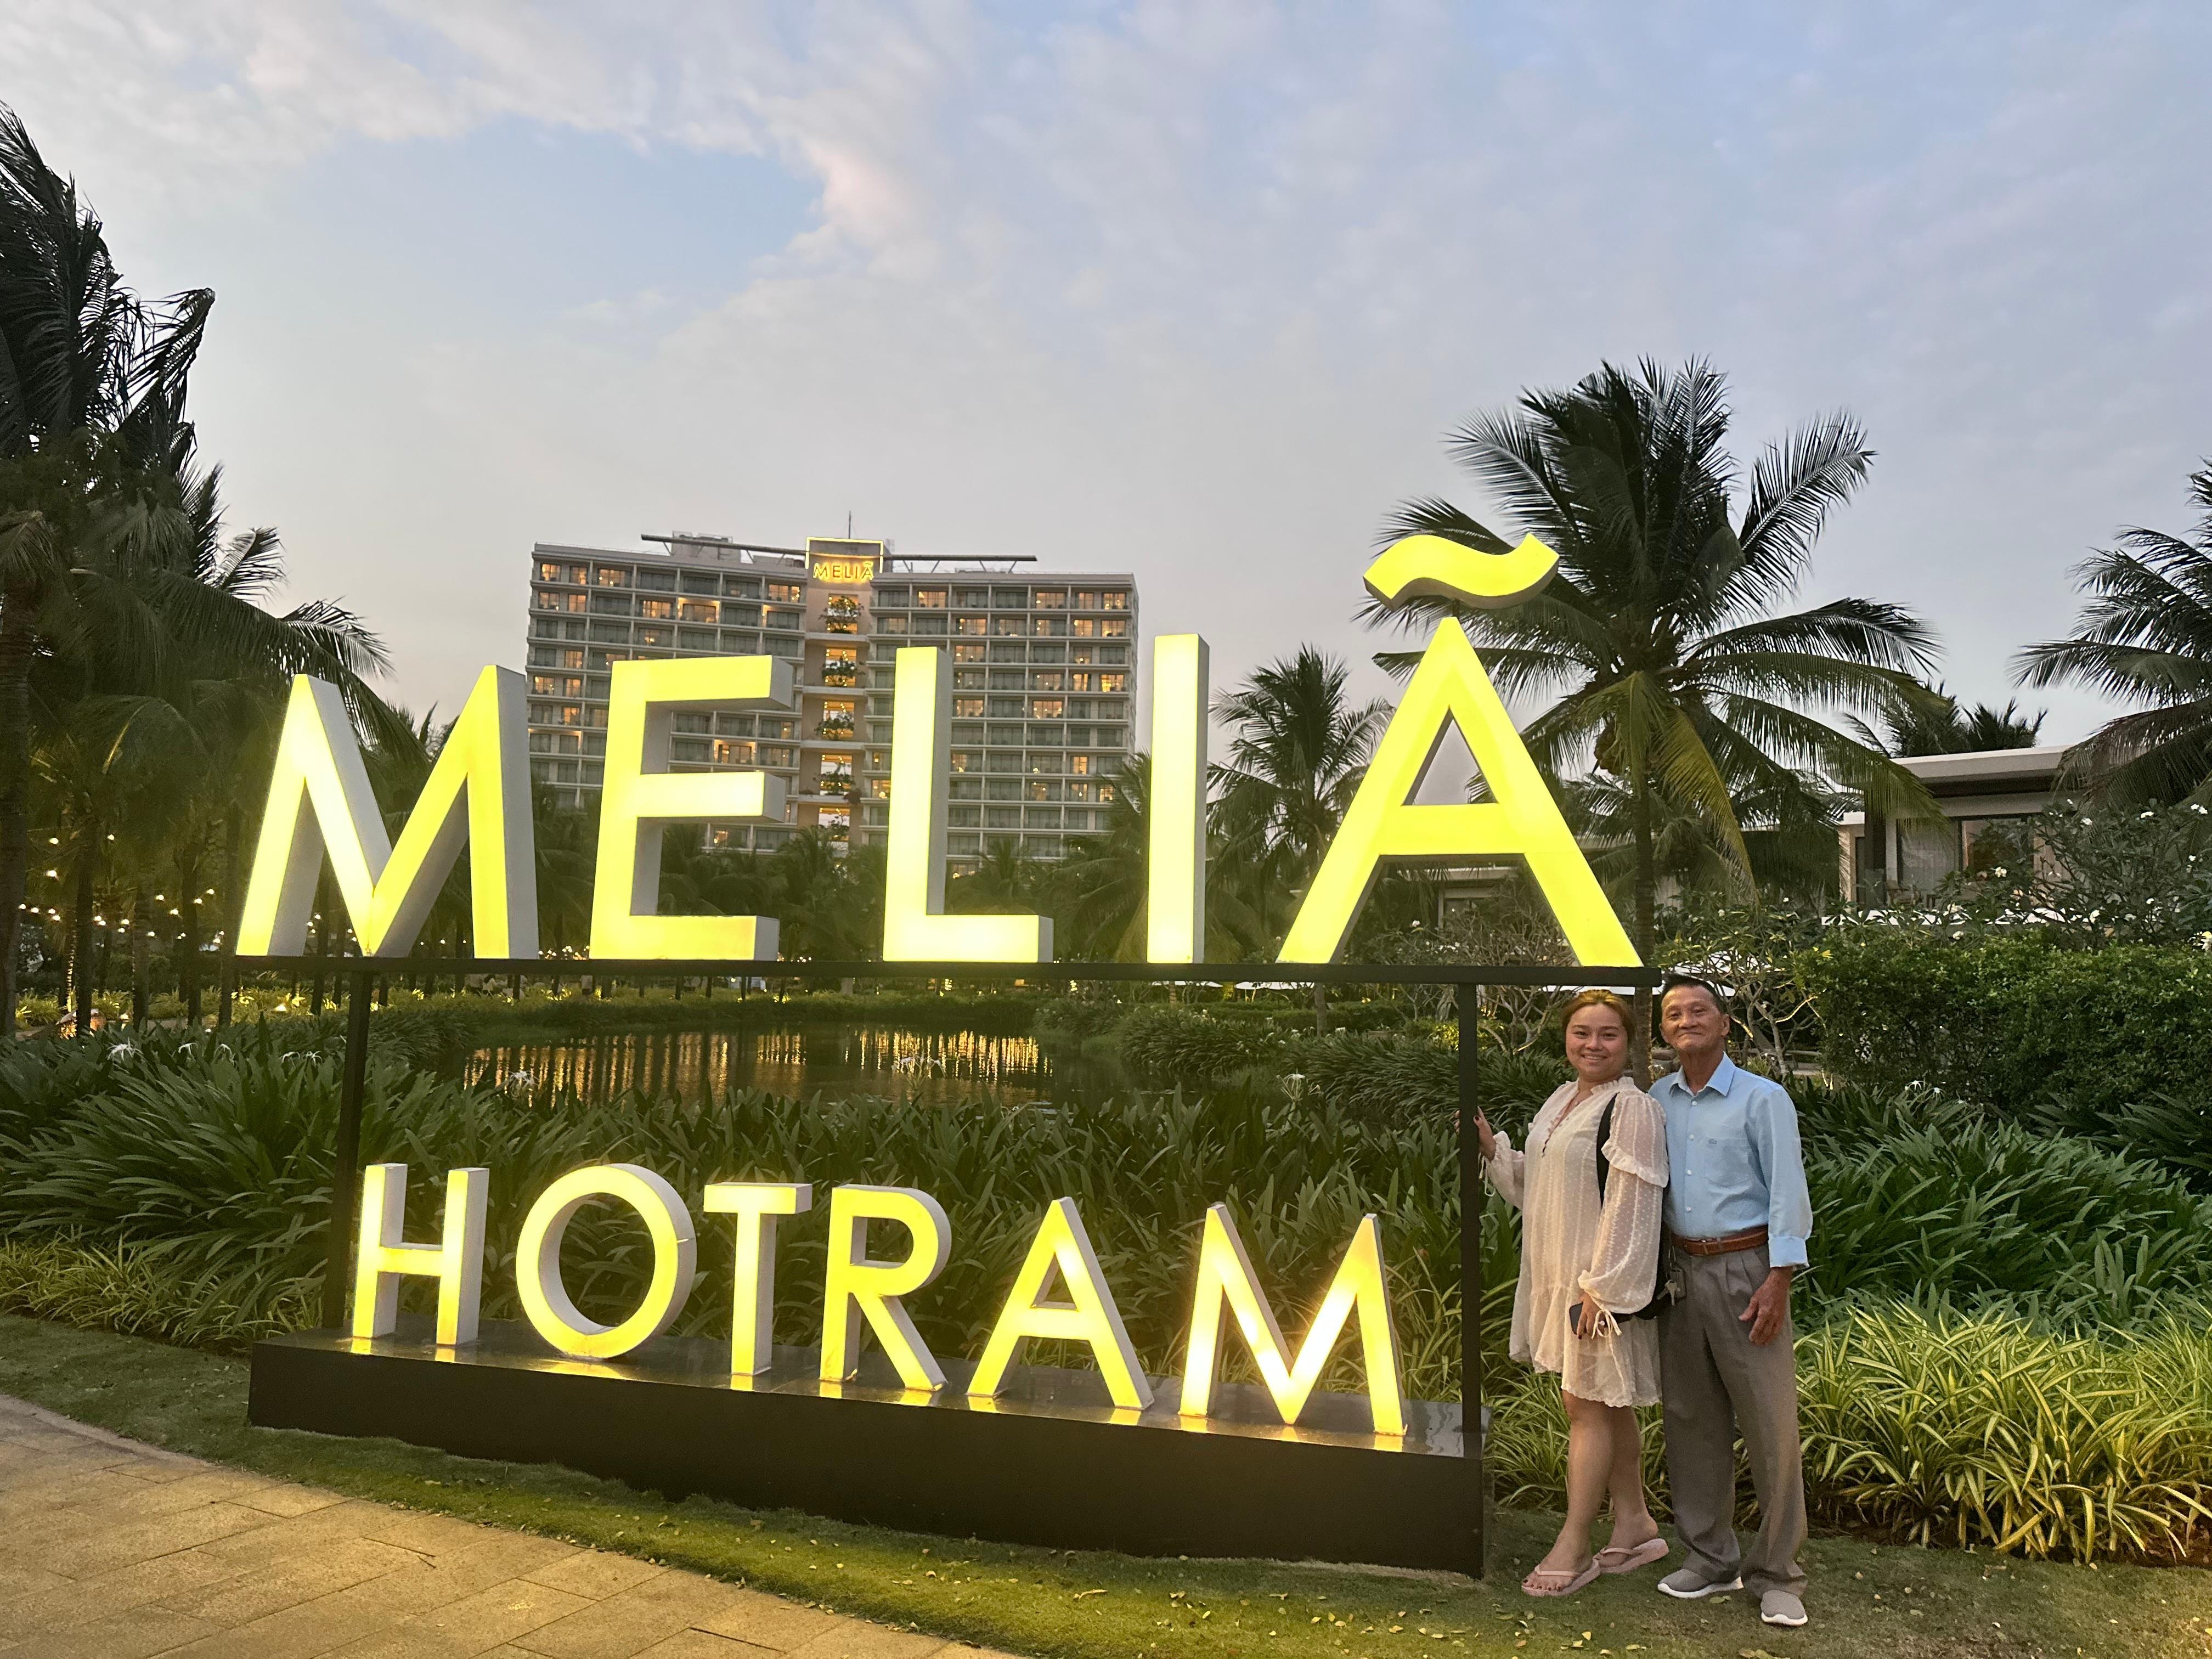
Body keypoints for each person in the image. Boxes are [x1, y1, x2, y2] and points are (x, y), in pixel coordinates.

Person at [1477, 989, 1671, 1598]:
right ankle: (1636, 1525)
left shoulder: (1633, 1108)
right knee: (1606, 1404)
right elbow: (1544, 1185)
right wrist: (1496, 1154)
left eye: (1609, 1034)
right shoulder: (1563, 1099)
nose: (1593, 1044)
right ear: (1566, 1037)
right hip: (1560, 1274)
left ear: (1629, 1042)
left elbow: (1635, 1204)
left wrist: (1602, 1289)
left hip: (1596, 1287)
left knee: (1584, 1407)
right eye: (1582, 1032)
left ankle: (1576, 1544)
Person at [1650, 973, 1814, 1630]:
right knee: (1692, 1421)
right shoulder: (1656, 1100)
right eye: (1673, 1013)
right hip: (1678, 1274)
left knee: (1770, 1427)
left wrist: (1780, 1277)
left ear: (1724, 1024)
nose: (1686, 1020)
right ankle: (1711, 1558)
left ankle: (1778, 1575)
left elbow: (1787, 1189)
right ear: (1665, 1030)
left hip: (1747, 1272)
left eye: (1699, 1010)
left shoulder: (1762, 1099)